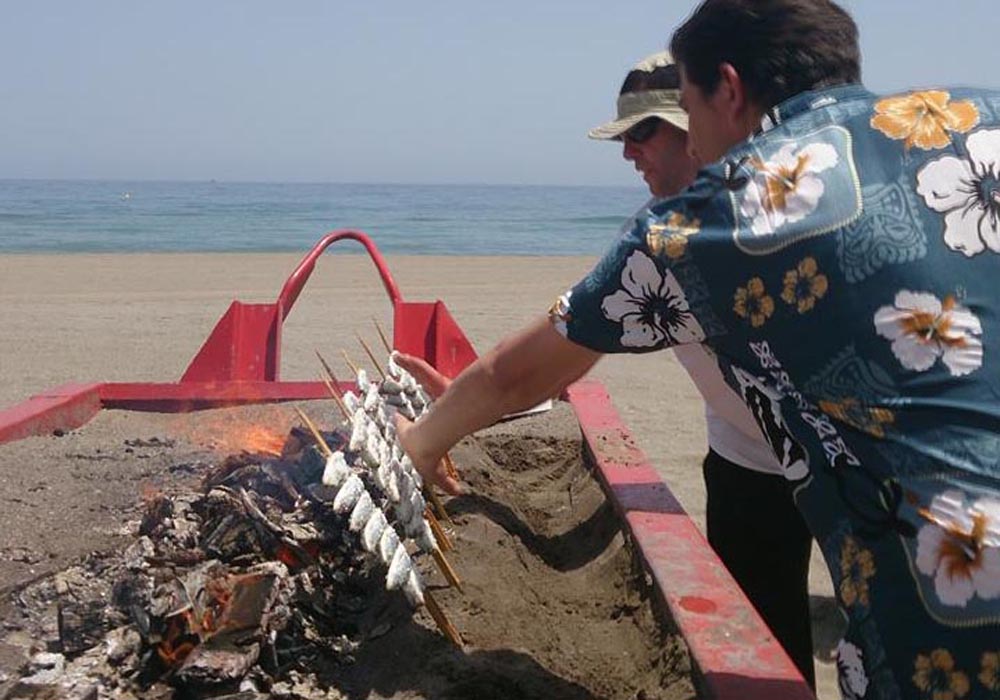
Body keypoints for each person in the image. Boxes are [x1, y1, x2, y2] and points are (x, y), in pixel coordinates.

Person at [398, 1, 1000, 697]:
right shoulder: (975, 123)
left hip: (953, 595)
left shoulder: (727, 214)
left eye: (685, 103)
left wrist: (419, 442)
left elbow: (518, 372)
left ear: (728, 89)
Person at [399, 50, 817, 688]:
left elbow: (524, 371)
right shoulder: (715, 219)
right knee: (764, 645)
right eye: (623, 138)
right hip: (749, 460)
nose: (628, 153)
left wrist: (423, 440)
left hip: (837, 455)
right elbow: (566, 355)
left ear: (702, 118)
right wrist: (459, 403)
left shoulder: (689, 239)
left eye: (642, 132)